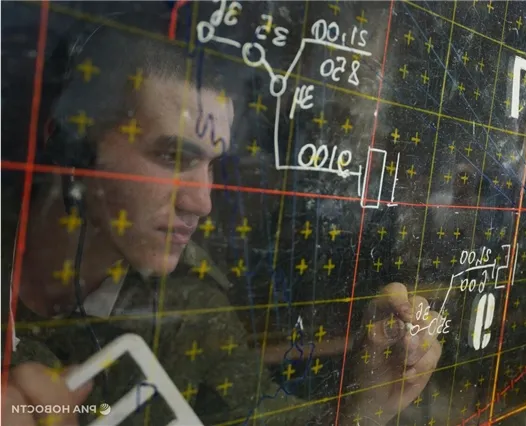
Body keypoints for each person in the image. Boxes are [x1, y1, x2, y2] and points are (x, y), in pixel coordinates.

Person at [1, 22, 442, 426]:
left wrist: (364, 404)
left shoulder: (190, 302)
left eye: (211, 165)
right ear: (74, 147)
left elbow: (260, 416)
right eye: (173, 156)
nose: (202, 202)